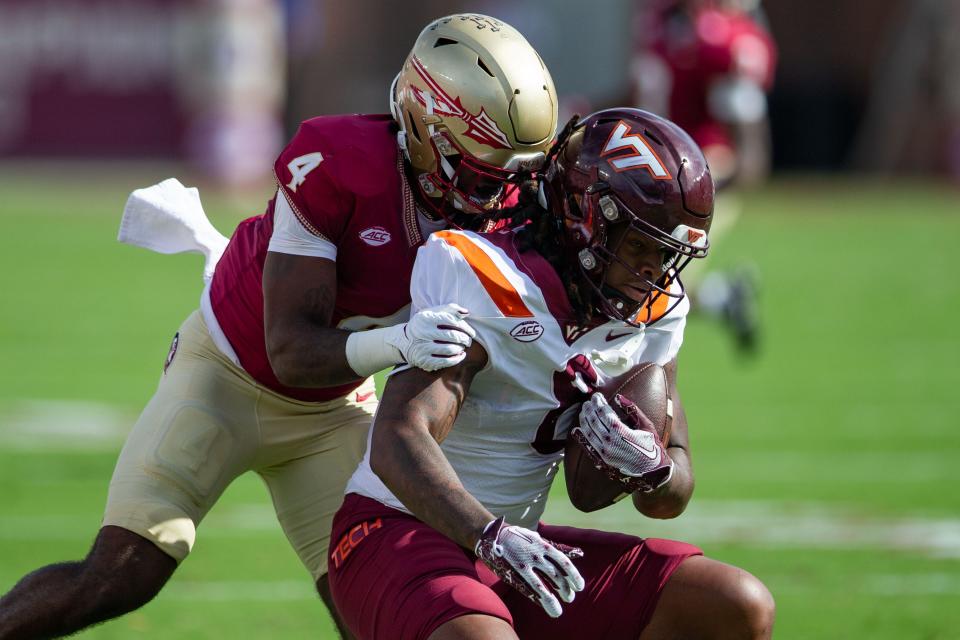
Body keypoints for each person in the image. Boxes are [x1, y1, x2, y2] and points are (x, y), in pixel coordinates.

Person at [0, 13, 558, 640]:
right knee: (121, 573)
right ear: (426, 129)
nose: (499, 193)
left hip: (335, 413)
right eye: (481, 168)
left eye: (512, 172)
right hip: (227, 378)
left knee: (379, 602)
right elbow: (290, 349)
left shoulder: (508, 197)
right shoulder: (338, 164)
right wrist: (400, 342)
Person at [327, 108, 775, 639]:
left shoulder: (653, 309)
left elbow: (671, 495)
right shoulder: (485, 276)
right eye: (638, 247)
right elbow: (400, 437)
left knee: (735, 605)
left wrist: (652, 468)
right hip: (396, 529)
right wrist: (488, 535)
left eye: (666, 257)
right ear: (586, 217)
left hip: (512, 546)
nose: (651, 275)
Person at [630, 0, 778, 352]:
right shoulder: (661, 23)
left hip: (698, 172)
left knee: (642, 286)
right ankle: (722, 299)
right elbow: (641, 96)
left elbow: (749, 151)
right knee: (634, 281)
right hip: (653, 168)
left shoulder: (725, 42)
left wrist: (703, 190)